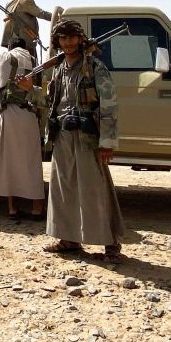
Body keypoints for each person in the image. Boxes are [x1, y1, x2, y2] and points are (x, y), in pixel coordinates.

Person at [43, 19, 125, 262]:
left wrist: (107, 141)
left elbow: (109, 105)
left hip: (88, 136)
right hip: (63, 135)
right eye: (62, 38)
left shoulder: (95, 67)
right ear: (57, 42)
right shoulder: (58, 69)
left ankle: (111, 243)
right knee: (63, 189)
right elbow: (52, 102)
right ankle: (68, 239)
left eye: (72, 37)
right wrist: (28, 88)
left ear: (80, 39)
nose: (67, 42)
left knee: (94, 189)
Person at [0, 37, 45, 219]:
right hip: (30, 114)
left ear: (10, 46)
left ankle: (12, 209)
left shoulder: (4, 56)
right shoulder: (35, 61)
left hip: (9, 114)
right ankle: (36, 208)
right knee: (32, 162)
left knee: (8, 159)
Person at [0, 0, 53, 64]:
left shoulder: (10, 3)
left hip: (12, 45)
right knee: (31, 70)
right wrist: (57, 17)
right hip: (26, 44)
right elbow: (41, 14)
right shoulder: (26, 1)